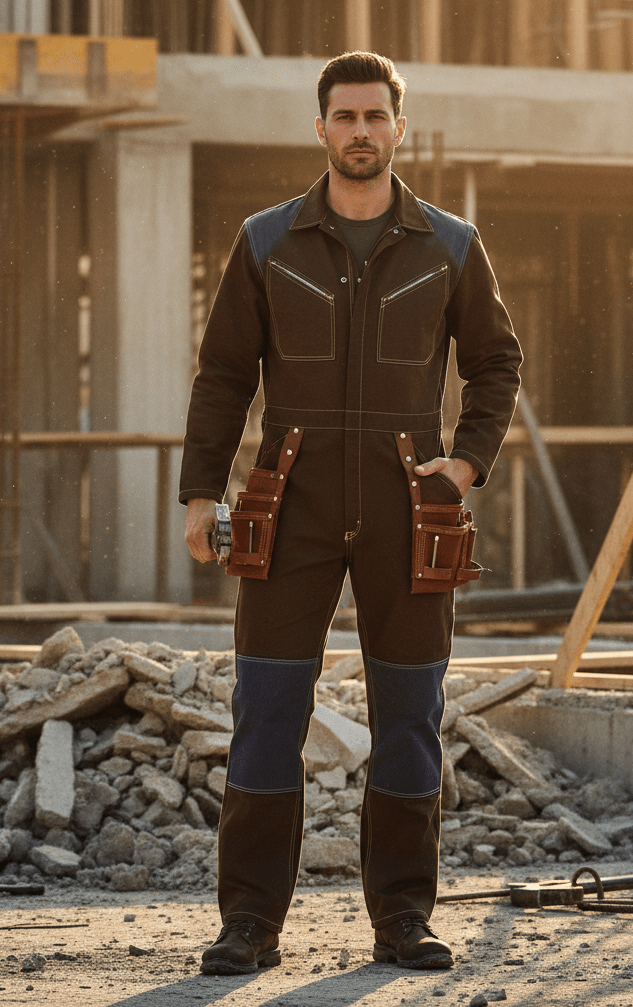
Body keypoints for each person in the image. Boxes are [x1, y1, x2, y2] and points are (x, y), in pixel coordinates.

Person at [179, 50, 522, 975]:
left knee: (408, 713)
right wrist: (200, 493)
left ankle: (402, 919)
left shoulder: (450, 244)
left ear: (398, 127)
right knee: (266, 712)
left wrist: (466, 461)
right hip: (285, 502)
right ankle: (249, 923)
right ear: (320, 127)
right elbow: (222, 376)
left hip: (413, 505)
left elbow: (497, 363)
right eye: (345, 116)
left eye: (377, 116)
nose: (361, 131)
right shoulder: (265, 241)